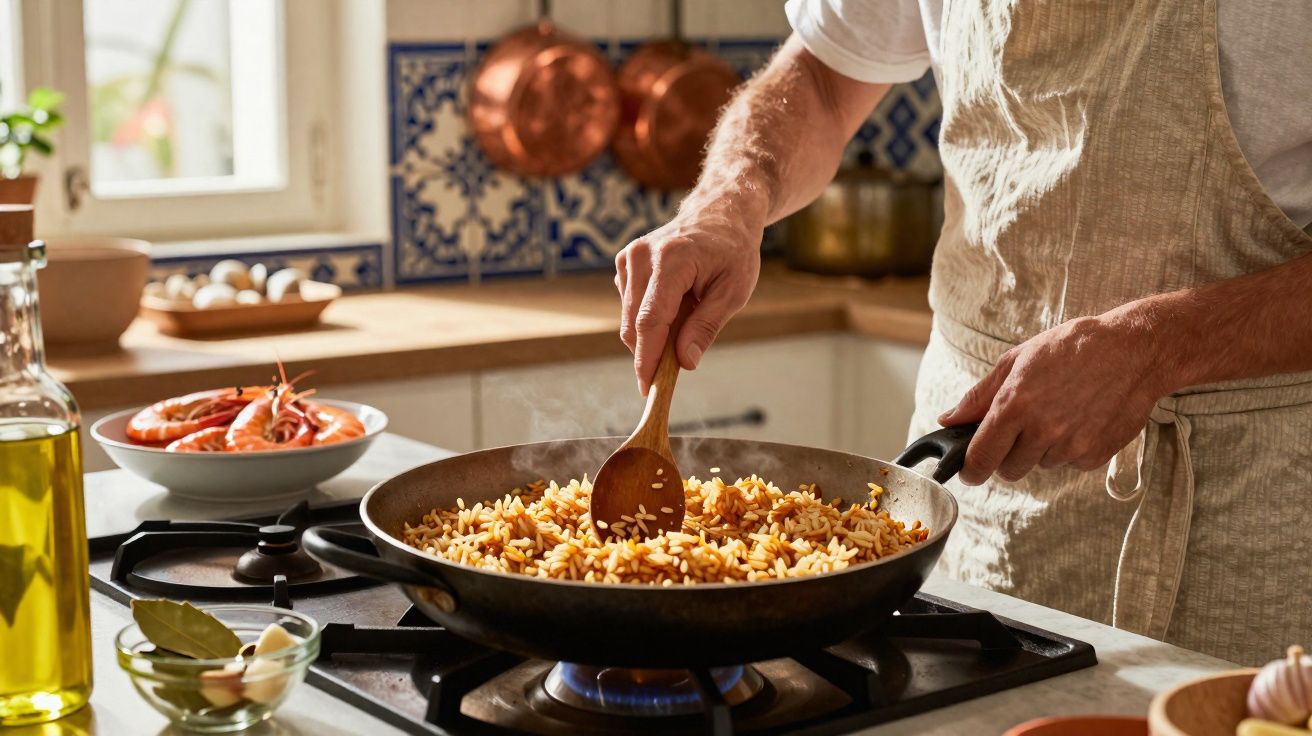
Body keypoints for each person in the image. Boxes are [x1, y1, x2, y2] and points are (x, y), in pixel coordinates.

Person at [613, 0, 1312, 665]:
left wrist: (1159, 345)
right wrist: (730, 197)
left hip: (1249, 502)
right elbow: (824, 80)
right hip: (978, 492)